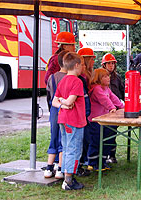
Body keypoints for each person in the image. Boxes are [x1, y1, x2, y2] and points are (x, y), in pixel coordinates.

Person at [52, 52, 86, 190]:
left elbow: (54, 101)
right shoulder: (77, 81)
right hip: (75, 120)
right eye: (82, 65)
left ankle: (66, 175)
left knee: (66, 148)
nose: (83, 68)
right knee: (74, 149)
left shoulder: (62, 80)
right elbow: (71, 100)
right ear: (76, 65)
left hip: (63, 119)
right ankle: (69, 181)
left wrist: (62, 103)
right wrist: (66, 102)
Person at [87, 68, 124, 171]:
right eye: (105, 76)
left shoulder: (106, 88)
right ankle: (93, 162)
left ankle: (102, 161)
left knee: (107, 139)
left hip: (104, 120)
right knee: (96, 141)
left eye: (108, 76)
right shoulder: (97, 88)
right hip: (95, 121)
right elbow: (105, 100)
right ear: (98, 78)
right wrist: (112, 108)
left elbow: (113, 98)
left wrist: (121, 106)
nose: (108, 78)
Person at [43, 50, 69, 179]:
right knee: (63, 138)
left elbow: (49, 94)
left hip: (54, 109)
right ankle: (60, 167)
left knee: (54, 136)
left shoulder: (52, 77)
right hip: (65, 108)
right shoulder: (70, 78)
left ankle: (48, 167)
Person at [101, 53, 124, 163]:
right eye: (108, 63)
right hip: (102, 111)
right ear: (104, 65)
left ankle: (112, 155)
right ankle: (103, 157)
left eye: (112, 63)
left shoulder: (117, 78)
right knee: (104, 134)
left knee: (112, 133)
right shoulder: (99, 76)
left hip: (115, 110)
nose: (111, 65)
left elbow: (122, 92)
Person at [75, 48, 95, 176]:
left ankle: (84, 162)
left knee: (87, 138)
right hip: (84, 114)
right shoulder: (82, 77)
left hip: (87, 113)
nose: (94, 61)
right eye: (92, 58)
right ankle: (81, 164)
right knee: (83, 140)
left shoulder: (88, 74)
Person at [45, 32, 76, 111]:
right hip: (59, 100)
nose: (74, 47)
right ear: (64, 46)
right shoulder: (56, 59)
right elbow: (48, 78)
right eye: (72, 45)